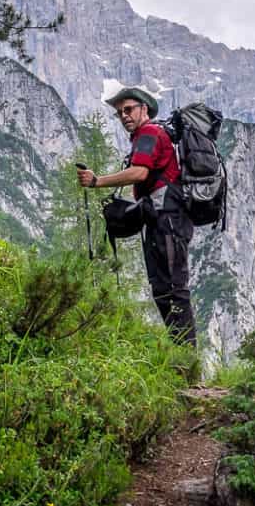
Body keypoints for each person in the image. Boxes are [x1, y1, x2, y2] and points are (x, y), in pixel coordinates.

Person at [76, 86, 197, 348]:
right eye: (120, 113)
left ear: (145, 109)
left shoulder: (149, 133)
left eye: (128, 109)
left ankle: (187, 358)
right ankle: (181, 354)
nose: (124, 116)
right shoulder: (145, 137)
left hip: (168, 219)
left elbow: (140, 172)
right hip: (162, 220)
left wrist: (98, 181)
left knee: (173, 287)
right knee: (163, 287)